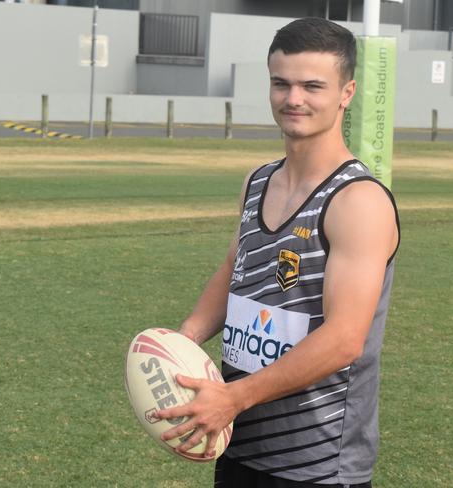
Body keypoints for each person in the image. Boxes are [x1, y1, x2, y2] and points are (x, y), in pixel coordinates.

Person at [157, 17, 400, 488]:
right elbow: (236, 268)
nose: (294, 99)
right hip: (239, 439)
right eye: (281, 83)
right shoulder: (258, 180)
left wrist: (235, 397)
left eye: (313, 85)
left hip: (317, 461)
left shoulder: (357, 201)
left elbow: (346, 338)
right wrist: (183, 342)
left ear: (346, 93)